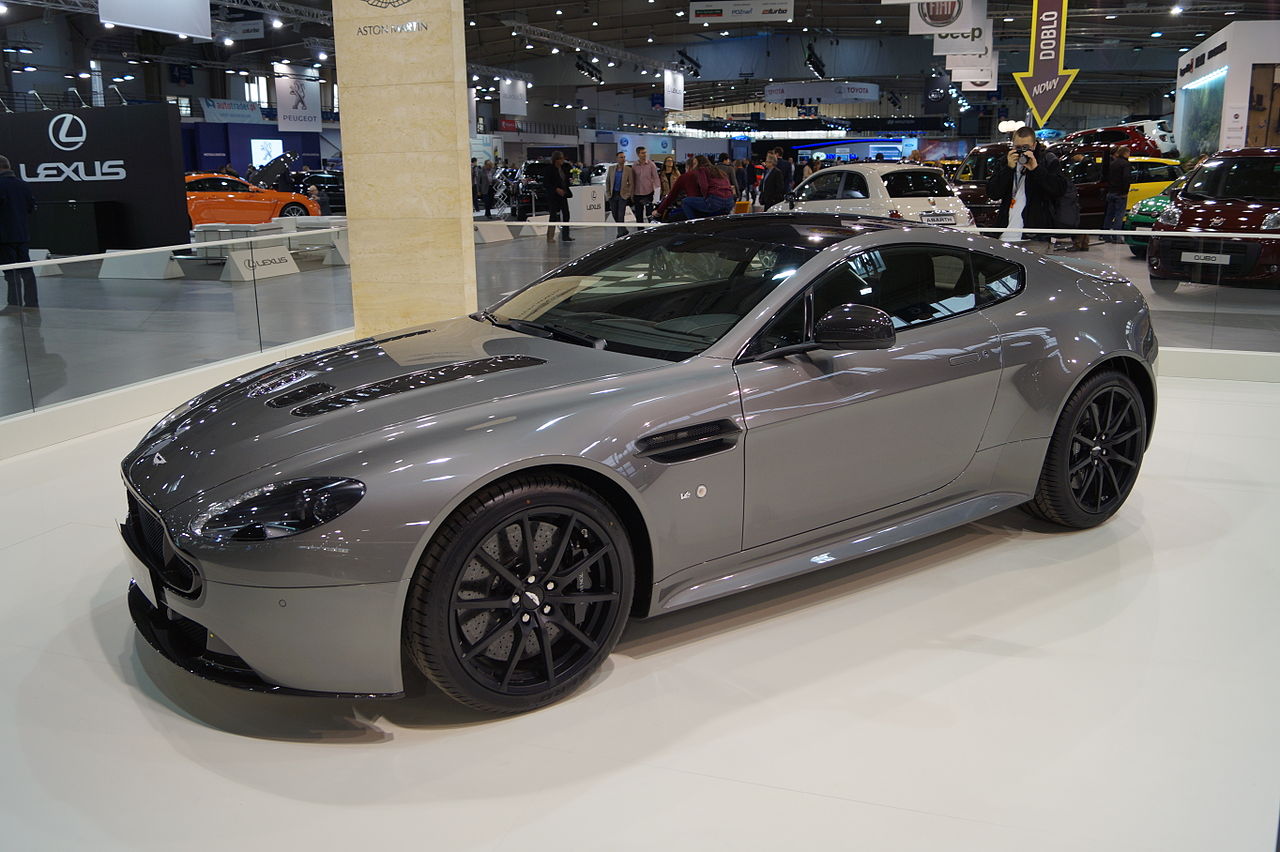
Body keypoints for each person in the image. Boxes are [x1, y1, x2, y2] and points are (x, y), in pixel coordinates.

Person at [987, 125, 1069, 243]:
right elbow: (993, 193)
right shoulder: (1005, 161)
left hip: (1036, 236)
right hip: (1005, 234)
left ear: (1034, 145)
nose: (1021, 151)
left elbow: (1059, 189)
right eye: (1018, 147)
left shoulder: (1047, 160)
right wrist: (1008, 169)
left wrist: (1036, 169)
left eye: (1026, 147)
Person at [0, 155, 38, 311]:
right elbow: (31, 207)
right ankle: (32, 302)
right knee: (27, 271)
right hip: (21, 234)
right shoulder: (24, 185)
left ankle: (14, 304)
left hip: (3, 236)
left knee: (11, 272)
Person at [653, 155, 735, 221]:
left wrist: (659, 211)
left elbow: (672, 196)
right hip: (728, 202)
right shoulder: (718, 171)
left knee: (685, 202)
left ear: (689, 166)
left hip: (710, 203)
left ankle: (694, 226)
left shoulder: (696, 172)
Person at [1103, 145, 1132, 243]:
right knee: (1119, 215)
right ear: (1125, 153)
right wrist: (1125, 192)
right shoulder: (1125, 164)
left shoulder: (1112, 163)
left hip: (1111, 192)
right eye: (1128, 153)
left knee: (1109, 215)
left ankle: (1106, 235)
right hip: (1120, 194)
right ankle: (1116, 237)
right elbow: (1126, 178)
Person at [604, 151, 634, 238]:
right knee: (614, 214)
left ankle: (620, 233)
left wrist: (628, 194)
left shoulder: (628, 170)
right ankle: (623, 230)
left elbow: (631, 183)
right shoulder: (611, 169)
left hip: (622, 195)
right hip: (613, 195)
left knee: (621, 214)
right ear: (617, 159)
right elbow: (608, 182)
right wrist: (608, 193)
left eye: (624, 157)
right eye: (621, 157)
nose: (623, 159)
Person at [545, 151, 573, 242]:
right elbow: (546, 183)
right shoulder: (549, 169)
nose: (563, 160)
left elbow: (566, 180)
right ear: (556, 159)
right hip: (553, 196)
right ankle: (550, 237)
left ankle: (566, 236)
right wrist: (556, 189)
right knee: (553, 216)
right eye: (561, 158)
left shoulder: (564, 168)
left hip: (563, 195)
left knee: (566, 215)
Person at [630, 146, 659, 223]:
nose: (644, 154)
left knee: (650, 214)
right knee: (639, 215)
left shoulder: (651, 164)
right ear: (638, 154)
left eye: (645, 152)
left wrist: (657, 192)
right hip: (637, 194)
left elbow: (656, 178)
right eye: (642, 153)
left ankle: (651, 231)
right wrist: (631, 193)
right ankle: (640, 231)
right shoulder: (634, 165)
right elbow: (632, 179)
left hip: (649, 193)